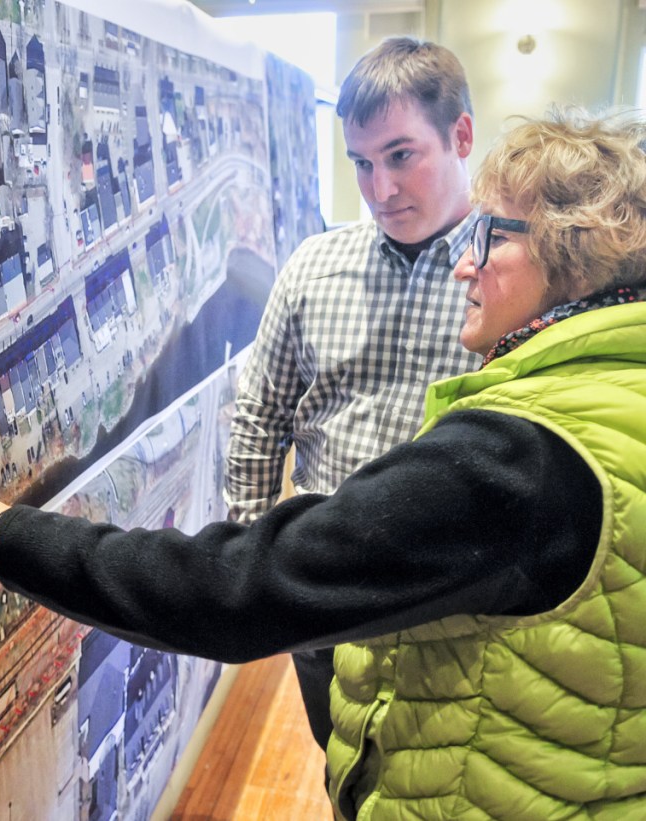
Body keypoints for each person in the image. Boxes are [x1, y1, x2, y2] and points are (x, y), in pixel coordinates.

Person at [0, 109, 646, 816]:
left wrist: (7, 532)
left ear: (573, 253)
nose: (462, 265)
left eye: (491, 237)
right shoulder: (616, 396)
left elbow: (231, 589)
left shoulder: (522, 458)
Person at [223, 36, 483, 751]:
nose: (380, 189)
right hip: (324, 593)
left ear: (461, 135)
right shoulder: (314, 264)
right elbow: (259, 414)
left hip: (453, 604)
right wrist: (252, 560)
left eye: (402, 155)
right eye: (361, 163)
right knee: (343, 768)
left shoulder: (510, 272)